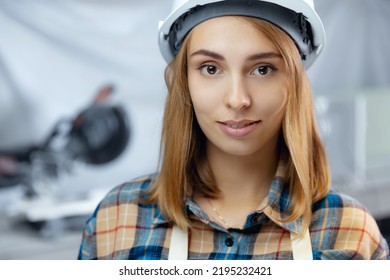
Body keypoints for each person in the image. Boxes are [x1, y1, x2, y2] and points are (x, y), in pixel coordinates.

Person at [78, 0, 389, 260]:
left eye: (263, 69)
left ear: (293, 83)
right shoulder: (115, 221)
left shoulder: (348, 232)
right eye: (211, 68)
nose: (238, 99)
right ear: (184, 82)